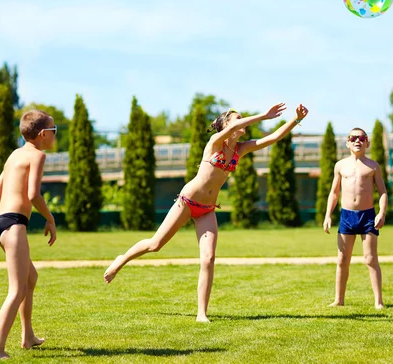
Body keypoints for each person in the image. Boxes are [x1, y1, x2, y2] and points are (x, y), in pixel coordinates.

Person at [104, 102, 309, 322]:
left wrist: (296, 120)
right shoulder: (215, 143)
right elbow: (234, 129)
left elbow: (273, 138)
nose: (242, 122)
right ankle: (122, 259)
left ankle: (201, 313)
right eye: (237, 118)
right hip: (187, 201)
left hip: (207, 210)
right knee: (155, 245)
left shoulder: (240, 149)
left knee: (209, 259)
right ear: (226, 125)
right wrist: (264, 116)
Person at [0, 110, 58, 360]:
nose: (55, 135)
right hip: (14, 224)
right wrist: (50, 217)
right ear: (43, 134)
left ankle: (28, 337)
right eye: (54, 131)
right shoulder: (38, 155)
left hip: (2, 222)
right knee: (17, 290)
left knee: (30, 278)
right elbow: (33, 195)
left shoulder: (14, 155)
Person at [323, 127, 388, 309]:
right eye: (353, 138)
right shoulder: (340, 165)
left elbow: (382, 192)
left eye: (361, 138)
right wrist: (328, 215)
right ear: (347, 143)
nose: (357, 141)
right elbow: (334, 193)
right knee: (342, 259)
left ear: (367, 142)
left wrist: (381, 213)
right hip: (346, 216)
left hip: (368, 216)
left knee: (370, 259)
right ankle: (339, 300)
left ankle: (379, 301)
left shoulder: (373, 166)